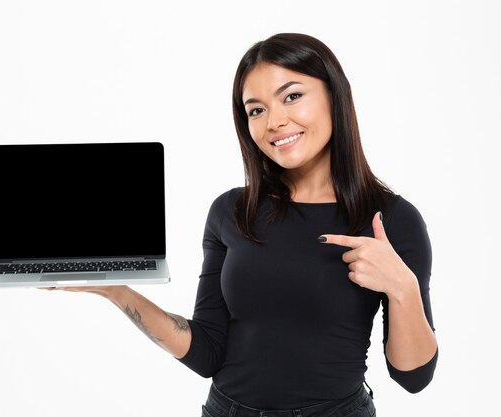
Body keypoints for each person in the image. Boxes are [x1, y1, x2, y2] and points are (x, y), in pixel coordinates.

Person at [44, 33, 438, 417]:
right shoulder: (232, 211)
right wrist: (116, 290)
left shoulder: (392, 220)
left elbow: (414, 376)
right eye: (256, 110)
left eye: (292, 96)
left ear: (335, 95)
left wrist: (402, 288)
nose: (274, 121)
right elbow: (207, 352)